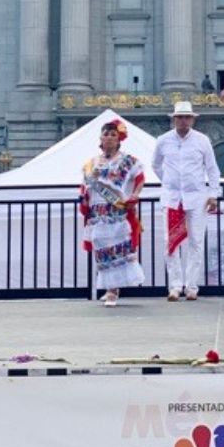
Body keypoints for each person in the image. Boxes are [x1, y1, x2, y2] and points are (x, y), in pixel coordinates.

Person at [152, 101, 220, 301]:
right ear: (174, 119)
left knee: (196, 242)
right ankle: (174, 286)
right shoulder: (163, 140)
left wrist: (213, 194)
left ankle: (191, 286)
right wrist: (169, 181)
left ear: (192, 119)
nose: (183, 121)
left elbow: (212, 169)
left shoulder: (202, 140)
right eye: (180, 117)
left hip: (197, 197)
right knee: (170, 243)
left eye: (187, 117)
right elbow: (156, 165)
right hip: (173, 198)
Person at [80, 118, 145, 306]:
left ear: (119, 139)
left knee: (116, 248)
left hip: (116, 210)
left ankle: (112, 290)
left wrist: (135, 195)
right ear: (100, 138)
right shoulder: (91, 163)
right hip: (97, 211)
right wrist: (84, 195)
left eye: (113, 135)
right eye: (106, 134)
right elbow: (85, 186)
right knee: (101, 247)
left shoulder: (127, 161)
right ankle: (109, 285)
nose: (109, 137)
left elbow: (140, 178)